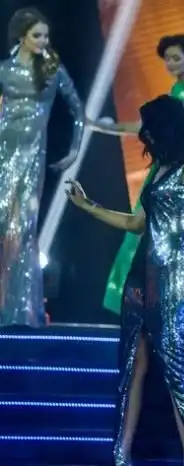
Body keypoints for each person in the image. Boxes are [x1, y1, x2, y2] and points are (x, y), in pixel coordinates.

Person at [66, 95, 184, 466]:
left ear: (163, 127)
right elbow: (135, 224)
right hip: (140, 275)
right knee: (132, 365)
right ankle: (122, 453)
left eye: (147, 126)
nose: (143, 134)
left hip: (173, 277)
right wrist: (87, 206)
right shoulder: (160, 168)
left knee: (177, 370)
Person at [90, 34, 184, 314]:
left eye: (176, 58)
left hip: (181, 170)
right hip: (168, 165)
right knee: (148, 230)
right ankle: (148, 300)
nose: (171, 63)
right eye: (167, 59)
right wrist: (109, 128)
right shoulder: (177, 90)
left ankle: (160, 302)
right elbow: (148, 127)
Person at [0, 7, 84, 327]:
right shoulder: (4, 70)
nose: (43, 41)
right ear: (22, 36)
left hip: (32, 156)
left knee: (22, 230)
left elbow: (77, 110)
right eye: (37, 35)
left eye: (46, 36)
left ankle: (20, 310)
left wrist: (74, 150)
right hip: (3, 153)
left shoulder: (52, 70)